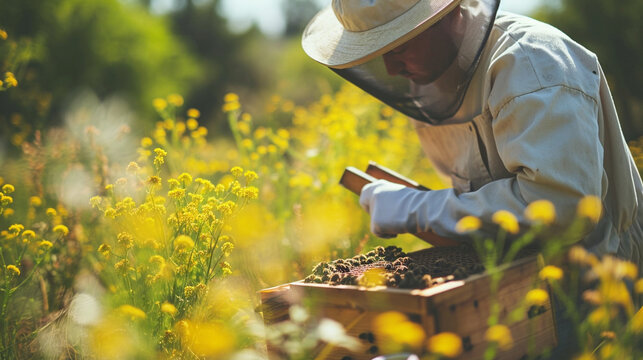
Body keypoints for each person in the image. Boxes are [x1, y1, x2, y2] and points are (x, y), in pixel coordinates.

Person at [302, 0, 642, 356]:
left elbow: (560, 207)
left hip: (594, 294)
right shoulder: (431, 78)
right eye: (379, 51)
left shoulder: (532, 62)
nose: (390, 67)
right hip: (511, 293)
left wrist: (418, 208)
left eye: (399, 46)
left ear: (443, 15)